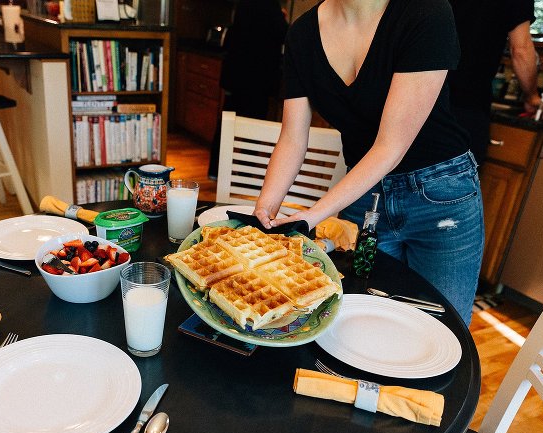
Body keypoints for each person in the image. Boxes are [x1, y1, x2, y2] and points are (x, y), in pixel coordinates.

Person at [255, 0, 484, 325]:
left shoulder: (426, 11)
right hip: (365, 192)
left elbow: (391, 146)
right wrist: (265, 210)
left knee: (442, 327)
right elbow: (293, 137)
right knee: (349, 320)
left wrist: (311, 216)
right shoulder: (303, 34)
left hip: (441, 197)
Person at [447, 0, 540, 164]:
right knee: (456, 183)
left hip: (412, 94)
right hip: (465, 105)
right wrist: (532, 97)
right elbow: (521, 50)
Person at [207, 0, 289, 179]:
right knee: (254, 127)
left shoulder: (244, 4)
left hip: (237, 76)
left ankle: (216, 169)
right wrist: (284, 18)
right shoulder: (270, 6)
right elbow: (284, 34)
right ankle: (245, 171)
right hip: (257, 79)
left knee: (226, 123)